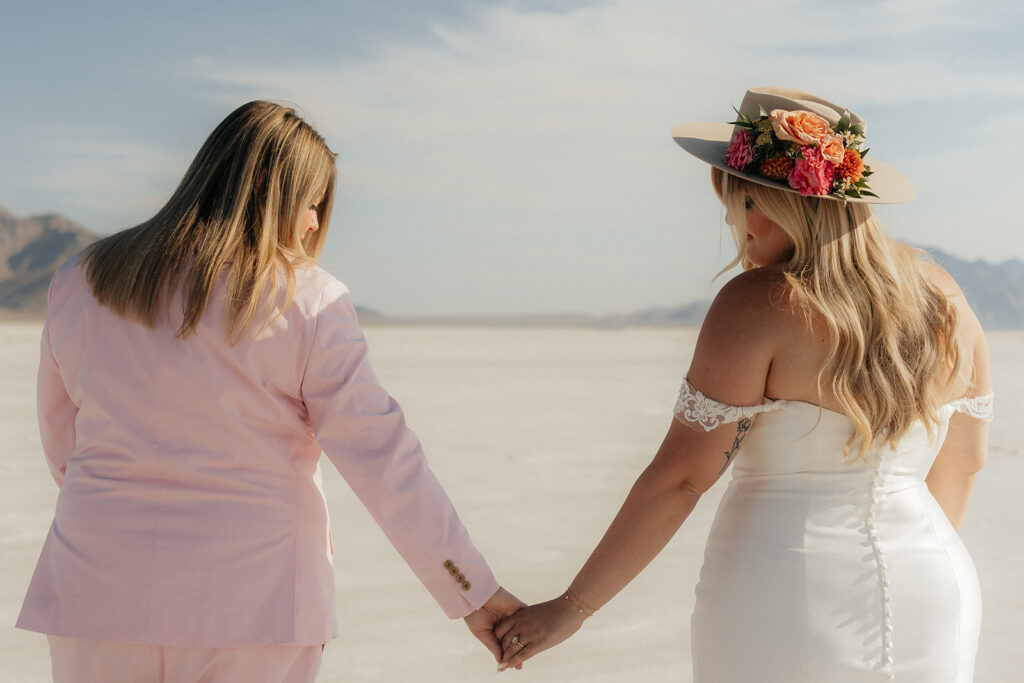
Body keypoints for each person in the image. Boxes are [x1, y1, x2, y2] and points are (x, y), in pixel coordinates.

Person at [493, 87, 992, 682]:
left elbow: (681, 478)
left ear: (780, 204)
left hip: (783, 591)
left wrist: (572, 609)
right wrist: (903, 560)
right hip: (933, 585)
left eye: (741, 201)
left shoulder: (759, 304)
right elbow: (963, 462)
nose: (734, 221)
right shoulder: (946, 299)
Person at [16, 100, 522, 682]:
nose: (313, 223)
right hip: (254, 608)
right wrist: (471, 588)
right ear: (268, 187)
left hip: (94, 594)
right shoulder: (308, 300)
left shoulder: (80, 281)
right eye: (311, 203)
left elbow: (65, 446)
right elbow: (383, 459)